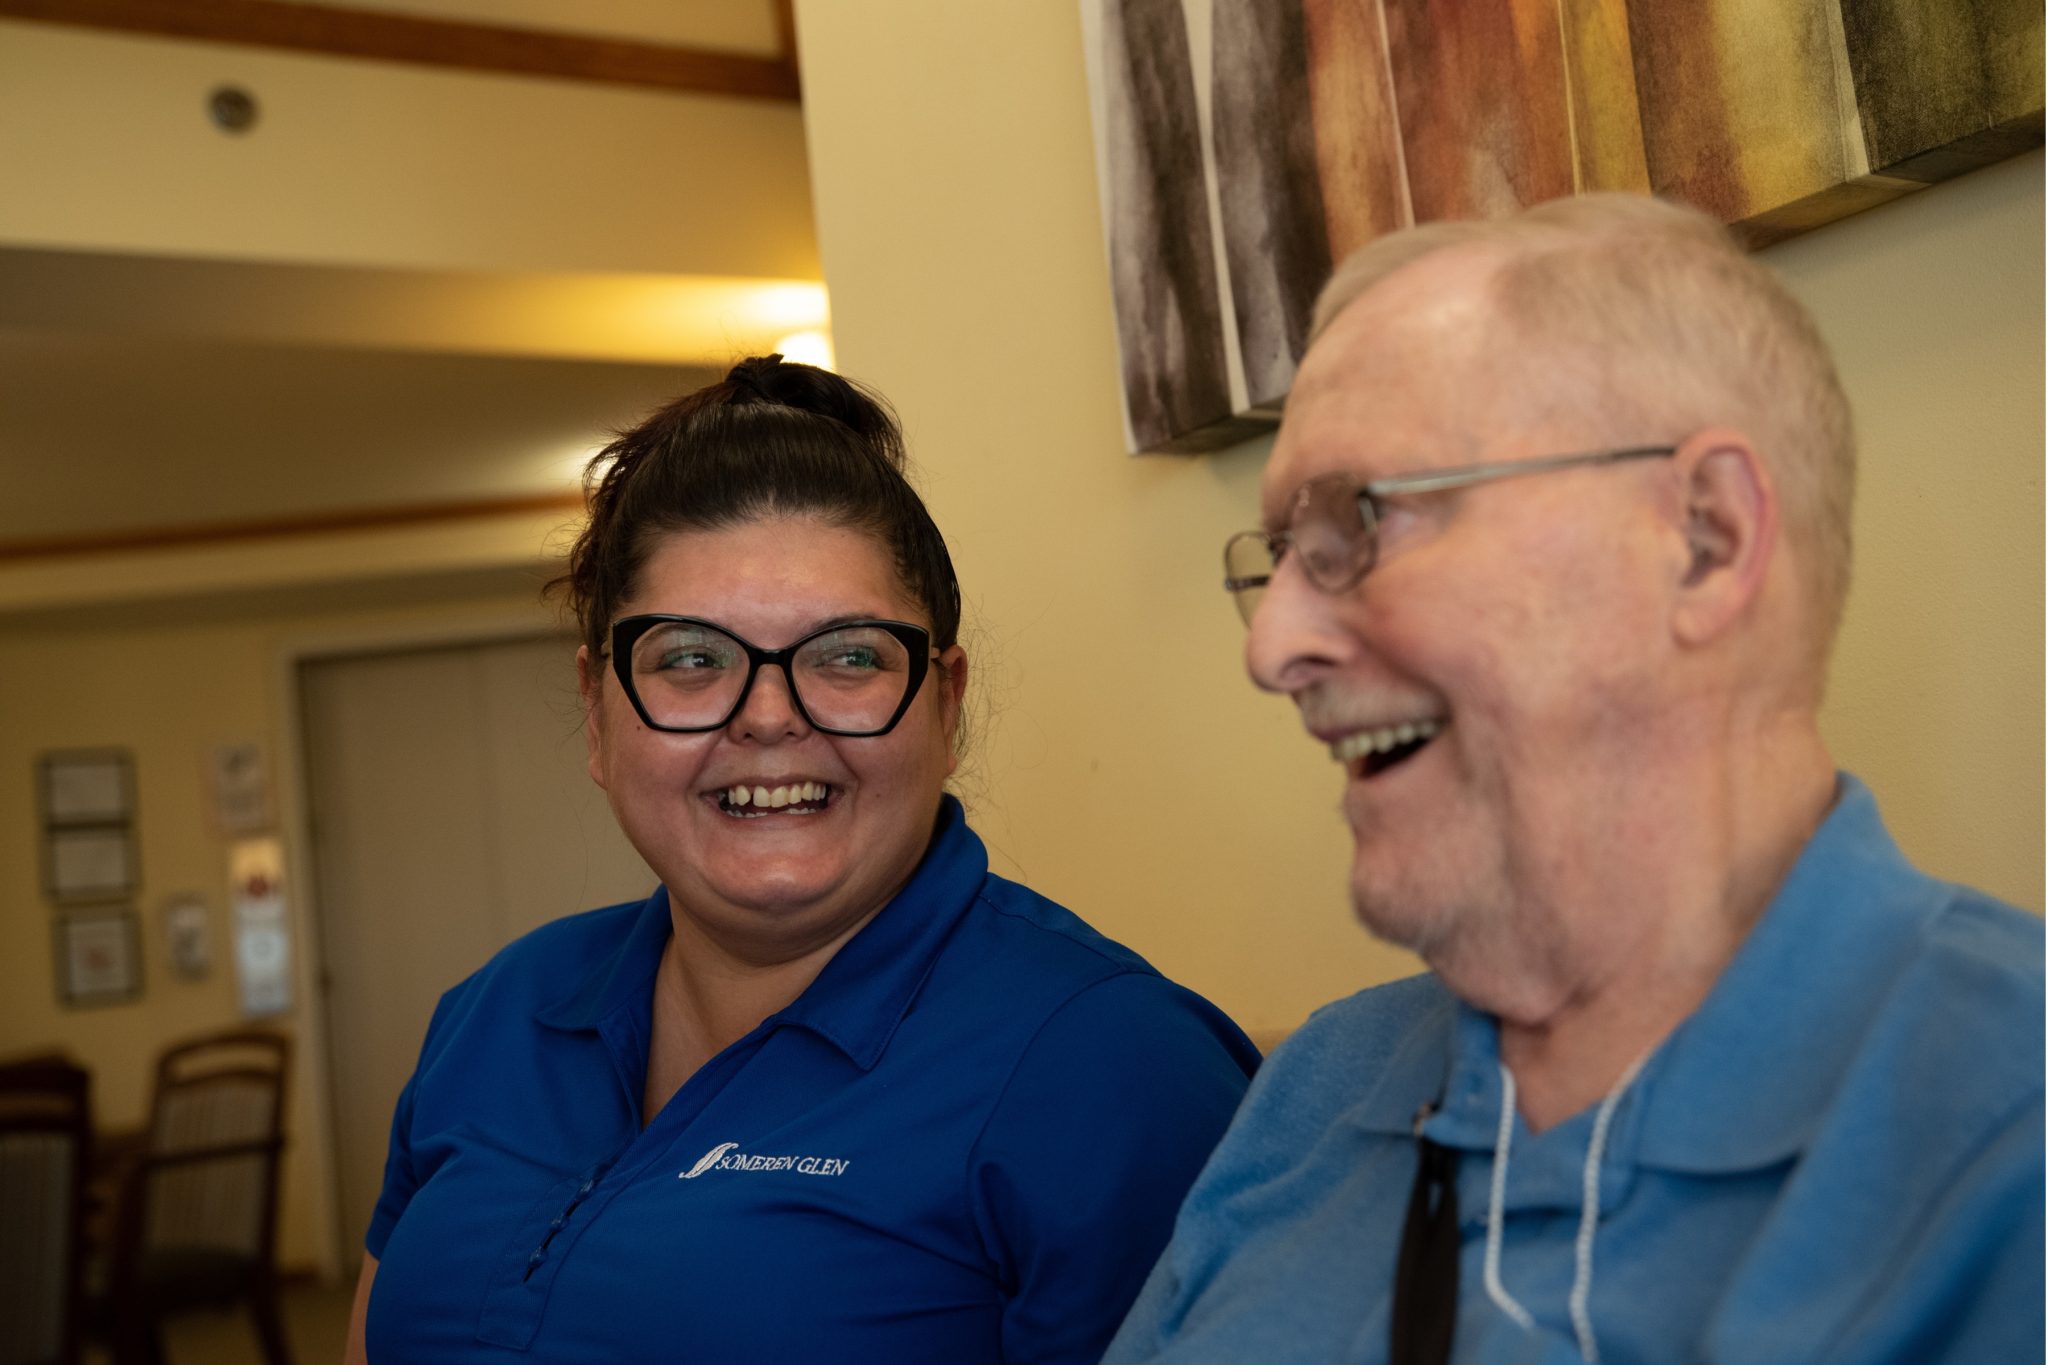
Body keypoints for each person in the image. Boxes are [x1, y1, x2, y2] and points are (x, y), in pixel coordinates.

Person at [1106, 194, 2043, 1363]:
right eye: (1281, 557)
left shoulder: (2009, 1131)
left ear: (1701, 540)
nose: (1268, 648)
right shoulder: (1313, 1096)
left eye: (1361, 520)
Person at [345, 356, 1260, 1363]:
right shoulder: (497, 1012)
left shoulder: (1112, 1065)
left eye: (848, 657)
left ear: (943, 706)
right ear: (597, 713)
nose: (769, 718)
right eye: (691, 660)